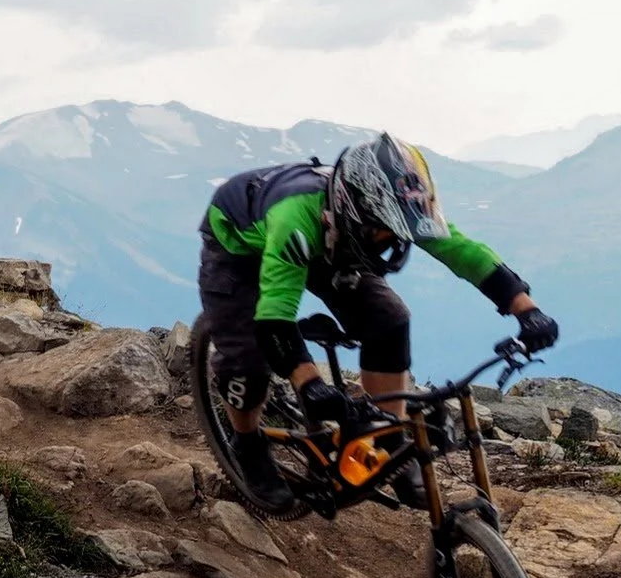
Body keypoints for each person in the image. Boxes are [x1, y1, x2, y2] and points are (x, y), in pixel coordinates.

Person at [198, 132, 558, 513]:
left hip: (333, 241)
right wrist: (310, 384)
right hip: (240, 248)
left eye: (394, 233)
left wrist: (526, 309)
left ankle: (388, 440)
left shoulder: (394, 208)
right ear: (357, 214)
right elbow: (275, 320)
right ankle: (247, 443)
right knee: (247, 361)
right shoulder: (296, 222)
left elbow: (463, 252)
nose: (389, 241)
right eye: (382, 233)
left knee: (388, 318)